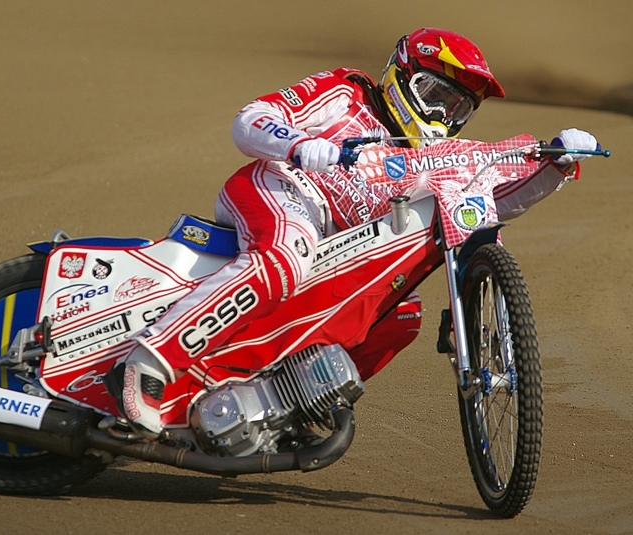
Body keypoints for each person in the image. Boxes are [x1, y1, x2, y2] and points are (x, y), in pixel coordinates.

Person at [104, 27, 600, 438]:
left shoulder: (433, 157)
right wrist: (298, 144)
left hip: (336, 246)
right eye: (434, 96)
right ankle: (149, 360)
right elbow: (252, 119)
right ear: (401, 75)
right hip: (282, 188)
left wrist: (556, 164)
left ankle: (283, 403)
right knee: (286, 256)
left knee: (399, 315)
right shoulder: (345, 92)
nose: (441, 117)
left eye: (457, 110)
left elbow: (495, 196)